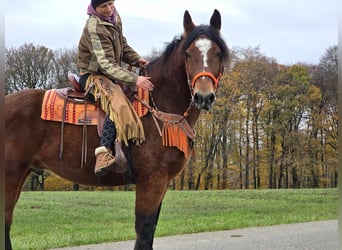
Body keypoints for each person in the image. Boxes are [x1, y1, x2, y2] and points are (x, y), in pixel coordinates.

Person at [77, 0, 154, 176]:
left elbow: (122, 44)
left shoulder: (114, 17)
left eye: (111, 3)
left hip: (111, 74)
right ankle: (103, 154)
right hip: (93, 74)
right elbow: (105, 64)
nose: (108, 9)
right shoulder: (94, 27)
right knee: (117, 102)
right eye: (103, 6)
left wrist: (135, 58)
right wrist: (135, 79)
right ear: (94, 8)